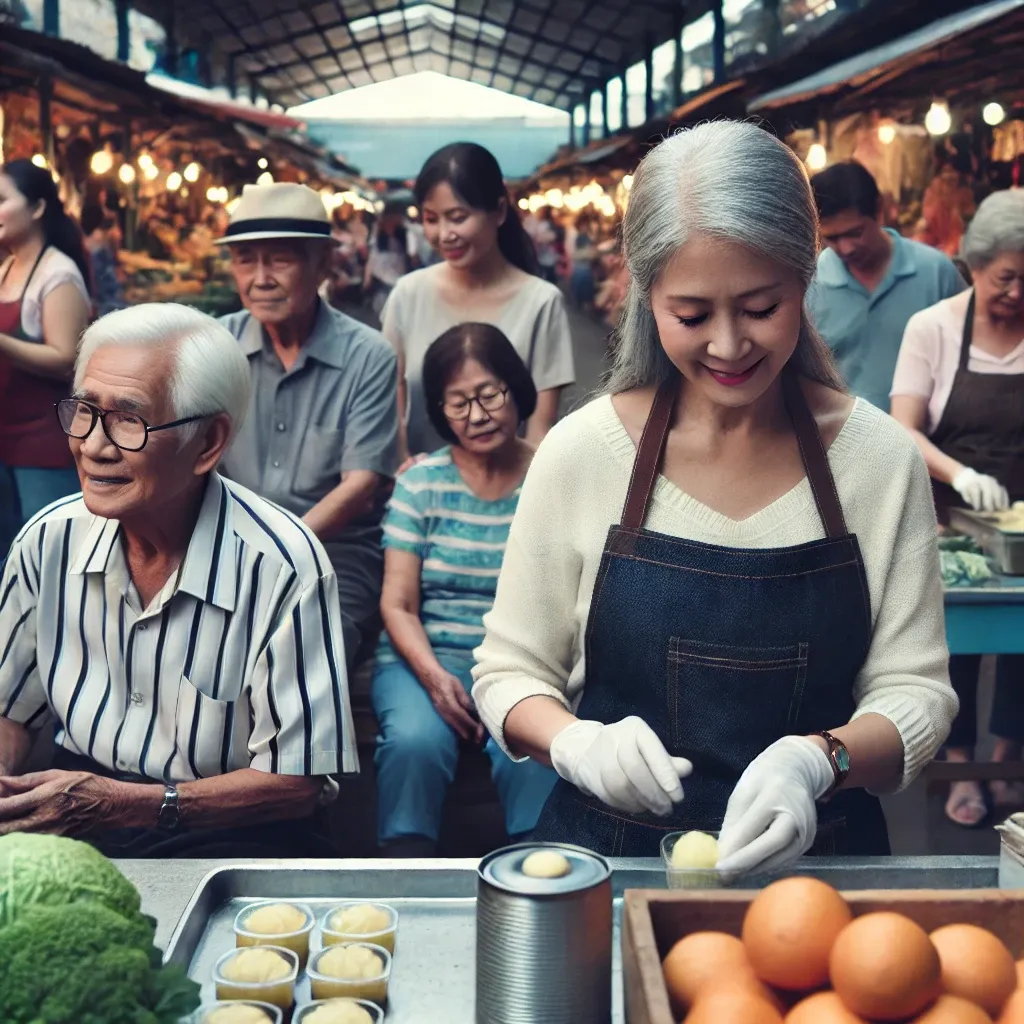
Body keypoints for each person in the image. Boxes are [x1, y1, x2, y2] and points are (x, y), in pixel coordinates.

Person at [471, 121, 957, 869]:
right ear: (644, 294)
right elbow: (509, 674)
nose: (729, 347)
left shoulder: (879, 460)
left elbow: (916, 694)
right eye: (691, 315)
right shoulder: (583, 453)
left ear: (806, 277)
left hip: (820, 875)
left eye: (761, 308)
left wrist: (820, 761)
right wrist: (574, 742)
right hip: (610, 866)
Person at [0, 303, 356, 856]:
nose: (93, 446)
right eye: (84, 411)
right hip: (77, 818)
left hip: (233, 832)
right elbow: (10, 710)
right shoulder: (46, 543)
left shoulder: (283, 565)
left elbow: (297, 784)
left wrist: (128, 803)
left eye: (129, 420)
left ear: (208, 443)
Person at [372, 323, 558, 856]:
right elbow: (398, 602)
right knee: (414, 741)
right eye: (457, 404)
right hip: (422, 658)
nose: (476, 416)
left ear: (517, 390)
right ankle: (405, 881)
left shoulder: (552, 475)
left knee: (531, 747)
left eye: (489, 395)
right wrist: (434, 679)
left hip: (525, 658)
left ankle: (539, 884)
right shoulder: (420, 483)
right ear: (438, 410)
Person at [217, 182, 399, 671]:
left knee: (305, 662)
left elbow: (361, 485)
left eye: (279, 260)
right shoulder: (216, 346)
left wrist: (273, 553)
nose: (260, 278)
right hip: (226, 551)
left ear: (322, 265)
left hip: (332, 559)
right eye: (244, 260)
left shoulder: (368, 356)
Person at [891, 189, 1024, 828]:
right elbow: (905, 429)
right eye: (1006, 277)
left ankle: (1008, 754)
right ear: (974, 265)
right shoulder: (936, 328)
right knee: (958, 645)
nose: (1018, 292)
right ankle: (963, 763)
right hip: (952, 523)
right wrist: (961, 473)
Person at [382, 143, 575, 459]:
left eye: (457, 218)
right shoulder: (407, 295)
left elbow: (540, 429)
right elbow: (391, 399)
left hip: (511, 496)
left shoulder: (541, 302)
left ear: (499, 211)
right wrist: (404, 468)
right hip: (419, 492)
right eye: (431, 219)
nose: (444, 234)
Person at [807, 161, 965, 412]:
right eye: (832, 238)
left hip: (924, 438)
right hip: (839, 438)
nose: (845, 248)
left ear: (880, 210)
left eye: (855, 232)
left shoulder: (936, 272)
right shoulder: (810, 283)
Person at [0, 160, 92, 551]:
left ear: (37, 208)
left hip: (44, 441)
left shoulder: (58, 273)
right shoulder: (5, 267)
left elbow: (67, 360)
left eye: (2, 200)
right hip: (4, 434)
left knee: (45, 551)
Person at [364, 200, 412, 318]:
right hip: (380, 281)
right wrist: (367, 277)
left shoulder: (406, 232)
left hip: (398, 280)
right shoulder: (378, 231)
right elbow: (373, 255)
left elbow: (412, 256)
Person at [81, 202, 126, 317]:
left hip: (93, 303)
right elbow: (111, 283)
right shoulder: (101, 242)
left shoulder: (83, 241)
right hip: (105, 305)